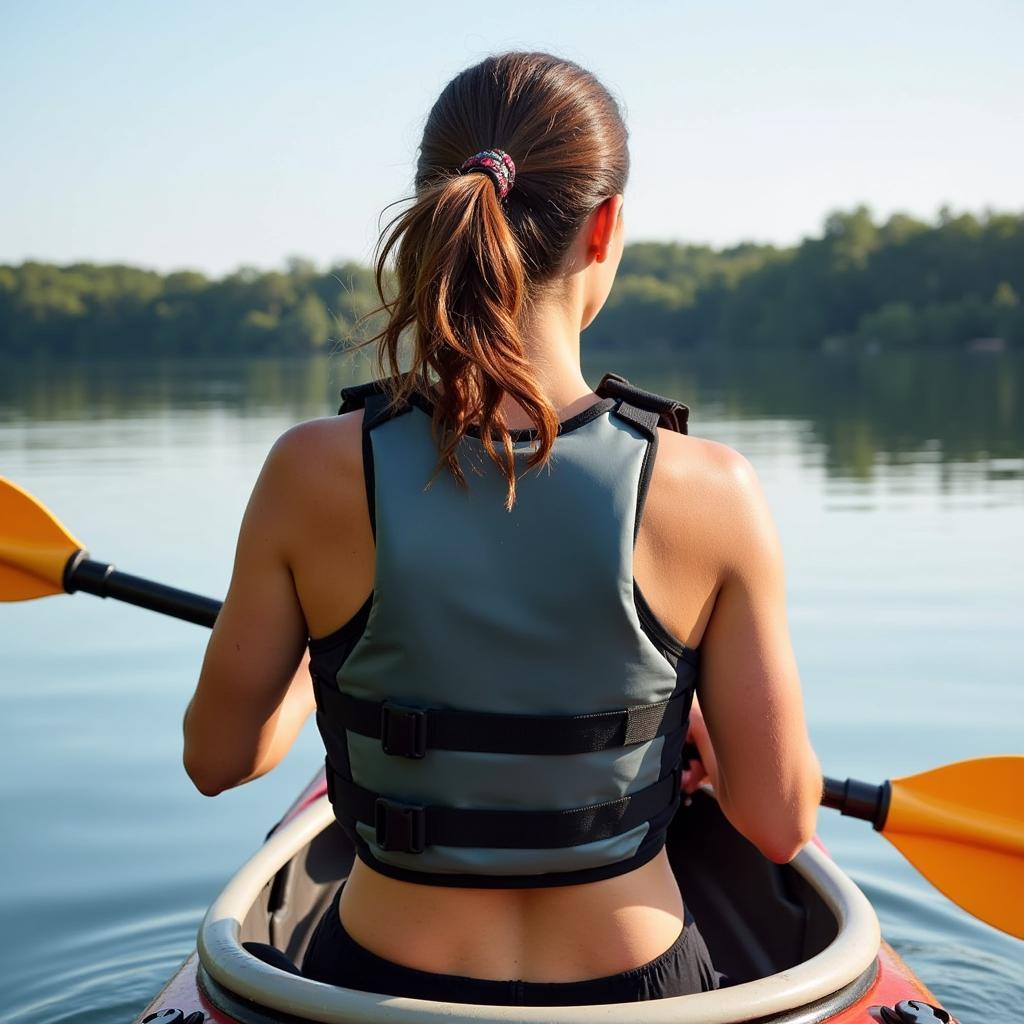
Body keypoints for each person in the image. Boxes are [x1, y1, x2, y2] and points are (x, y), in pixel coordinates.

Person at [181, 50, 822, 1006]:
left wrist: (337, 672)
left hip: (376, 988)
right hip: (640, 989)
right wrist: (689, 725)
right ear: (605, 227)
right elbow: (778, 824)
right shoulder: (712, 491)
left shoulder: (309, 472)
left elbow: (216, 758)